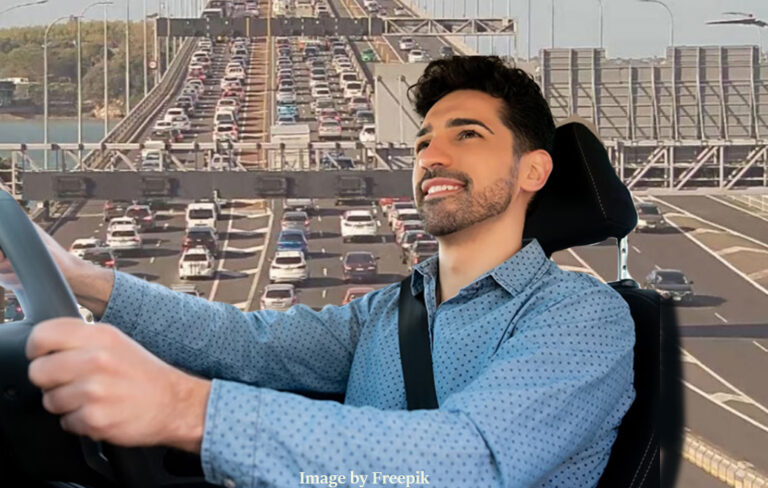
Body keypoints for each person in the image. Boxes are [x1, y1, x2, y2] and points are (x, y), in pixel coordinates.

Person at [0, 56, 635, 487]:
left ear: (533, 172)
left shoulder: (581, 317)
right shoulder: (389, 312)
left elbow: (471, 461)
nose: (431, 155)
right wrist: (76, 273)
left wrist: (182, 407)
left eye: (466, 135)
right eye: (421, 142)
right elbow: (248, 344)